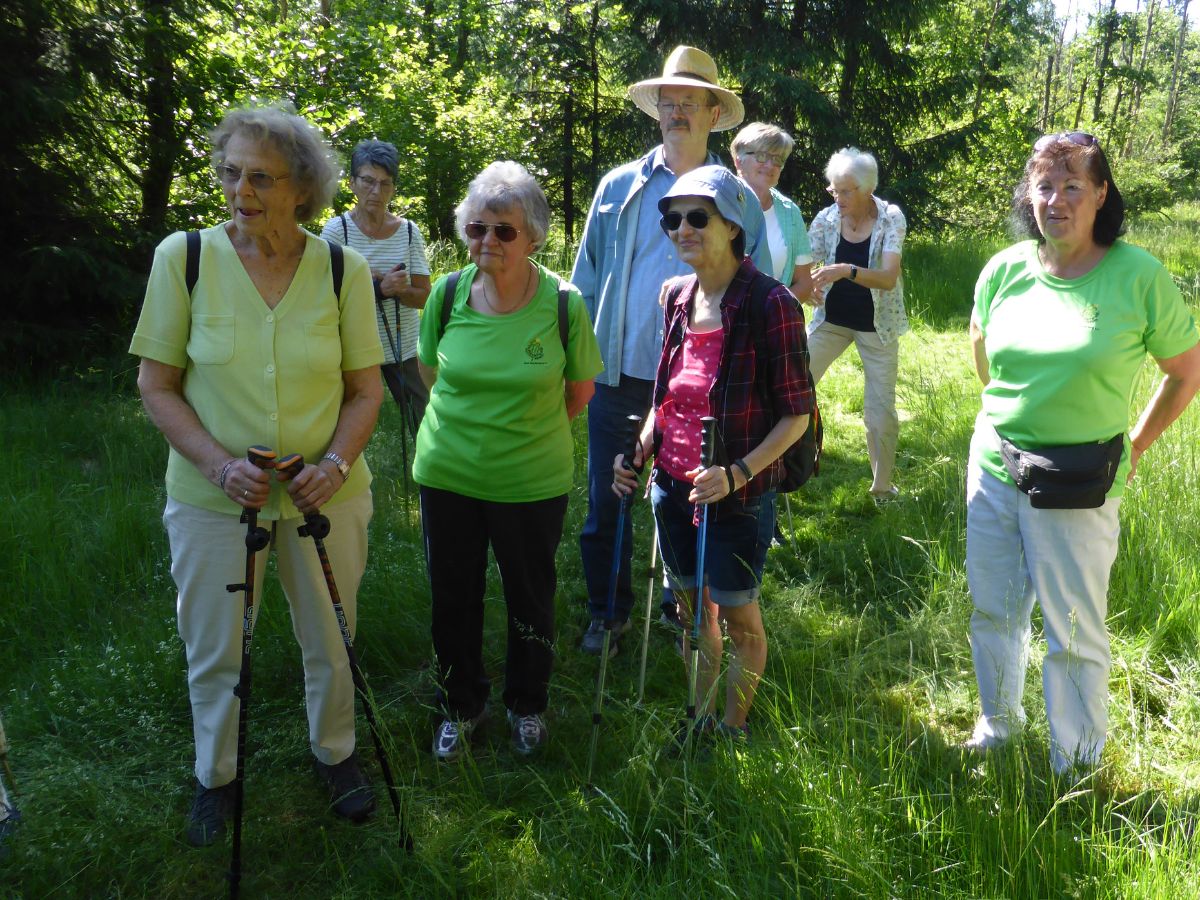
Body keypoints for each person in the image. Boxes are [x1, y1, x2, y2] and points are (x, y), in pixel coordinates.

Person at [130, 102, 384, 846]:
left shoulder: (344, 269)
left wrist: (336, 465)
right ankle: (217, 775)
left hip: (323, 497)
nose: (241, 191)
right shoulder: (186, 258)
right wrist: (215, 463)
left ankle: (335, 754)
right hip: (214, 500)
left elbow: (367, 390)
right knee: (215, 648)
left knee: (332, 638)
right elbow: (156, 383)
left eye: (261, 178)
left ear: (301, 189)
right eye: (232, 173)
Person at [965, 132, 1200, 774]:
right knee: (993, 605)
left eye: (1073, 186)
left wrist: (1137, 445)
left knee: (1073, 626)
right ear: (1028, 197)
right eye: (1044, 186)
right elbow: (982, 352)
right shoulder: (1005, 268)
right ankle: (997, 725)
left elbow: (1185, 371)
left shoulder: (1138, 275)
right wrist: (1010, 423)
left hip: (1081, 480)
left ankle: (1076, 761)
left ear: (1101, 195)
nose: (1056, 200)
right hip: (993, 466)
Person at [573, 45, 771, 658]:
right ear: (655, 108)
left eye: (692, 101)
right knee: (607, 504)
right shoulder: (617, 188)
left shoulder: (737, 200)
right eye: (669, 100)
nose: (677, 110)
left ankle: (683, 614)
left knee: (687, 503)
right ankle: (608, 614)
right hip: (616, 378)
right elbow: (585, 283)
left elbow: (753, 295)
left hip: (699, 391)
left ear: (715, 114)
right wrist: (573, 369)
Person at [613, 165, 813, 742]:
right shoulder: (675, 295)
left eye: (696, 217)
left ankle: (733, 726)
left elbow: (796, 414)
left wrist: (737, 472)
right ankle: (697, 717)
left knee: (741, 617)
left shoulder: (770, 304)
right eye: (672, 219)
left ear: (732, 225)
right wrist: (639, 451)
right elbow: (666, 397)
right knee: (692, 613)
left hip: (739, 495)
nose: (682, 229)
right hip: (671, 487)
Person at [416, 161, 603, 761]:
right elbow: (430, 373)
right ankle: (461, 707)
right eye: (477, 229)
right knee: (453, 596)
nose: (487, 242)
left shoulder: (563, 304)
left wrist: (522, 432)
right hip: (448, 476)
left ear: (534, 236)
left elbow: (580, 392)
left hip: (530, 481)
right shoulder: (445, 296)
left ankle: (528, 705)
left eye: (503, 231)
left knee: (529, 596)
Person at [807, 147, 907, 503]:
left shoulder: (890, 218)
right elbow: (805, 260)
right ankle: (778, 468)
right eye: (834, 190)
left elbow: (888, 278)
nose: (838, 198)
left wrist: (844, 271)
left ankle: (882, 488)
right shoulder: (827, 218)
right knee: (791, 380)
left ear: (867, 189)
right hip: (830, 320)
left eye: (846, 190)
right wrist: (807, 287)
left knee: (879, 409)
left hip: (877, 325)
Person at [321, 139, 432, 427]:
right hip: (352, 347)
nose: (376, 191)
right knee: (343, 421)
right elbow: (324, 297)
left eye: (385, 184)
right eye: (368, 181)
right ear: (353, 183)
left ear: (394, 188)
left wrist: (400, 289)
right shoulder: (337, 231)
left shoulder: (408, 232)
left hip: (402, 343)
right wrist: (378, 289)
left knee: (423, 418)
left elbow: (423, 297)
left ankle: (430, 470)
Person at [730, 122, 813, 300]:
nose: (770, 165)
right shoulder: (720, 204)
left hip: (773, 322)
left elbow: (804, 283)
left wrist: (772, 308)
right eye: (761, 156)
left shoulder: (790, 212)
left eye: (778, 159)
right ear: (738, 160)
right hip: (723, 319)